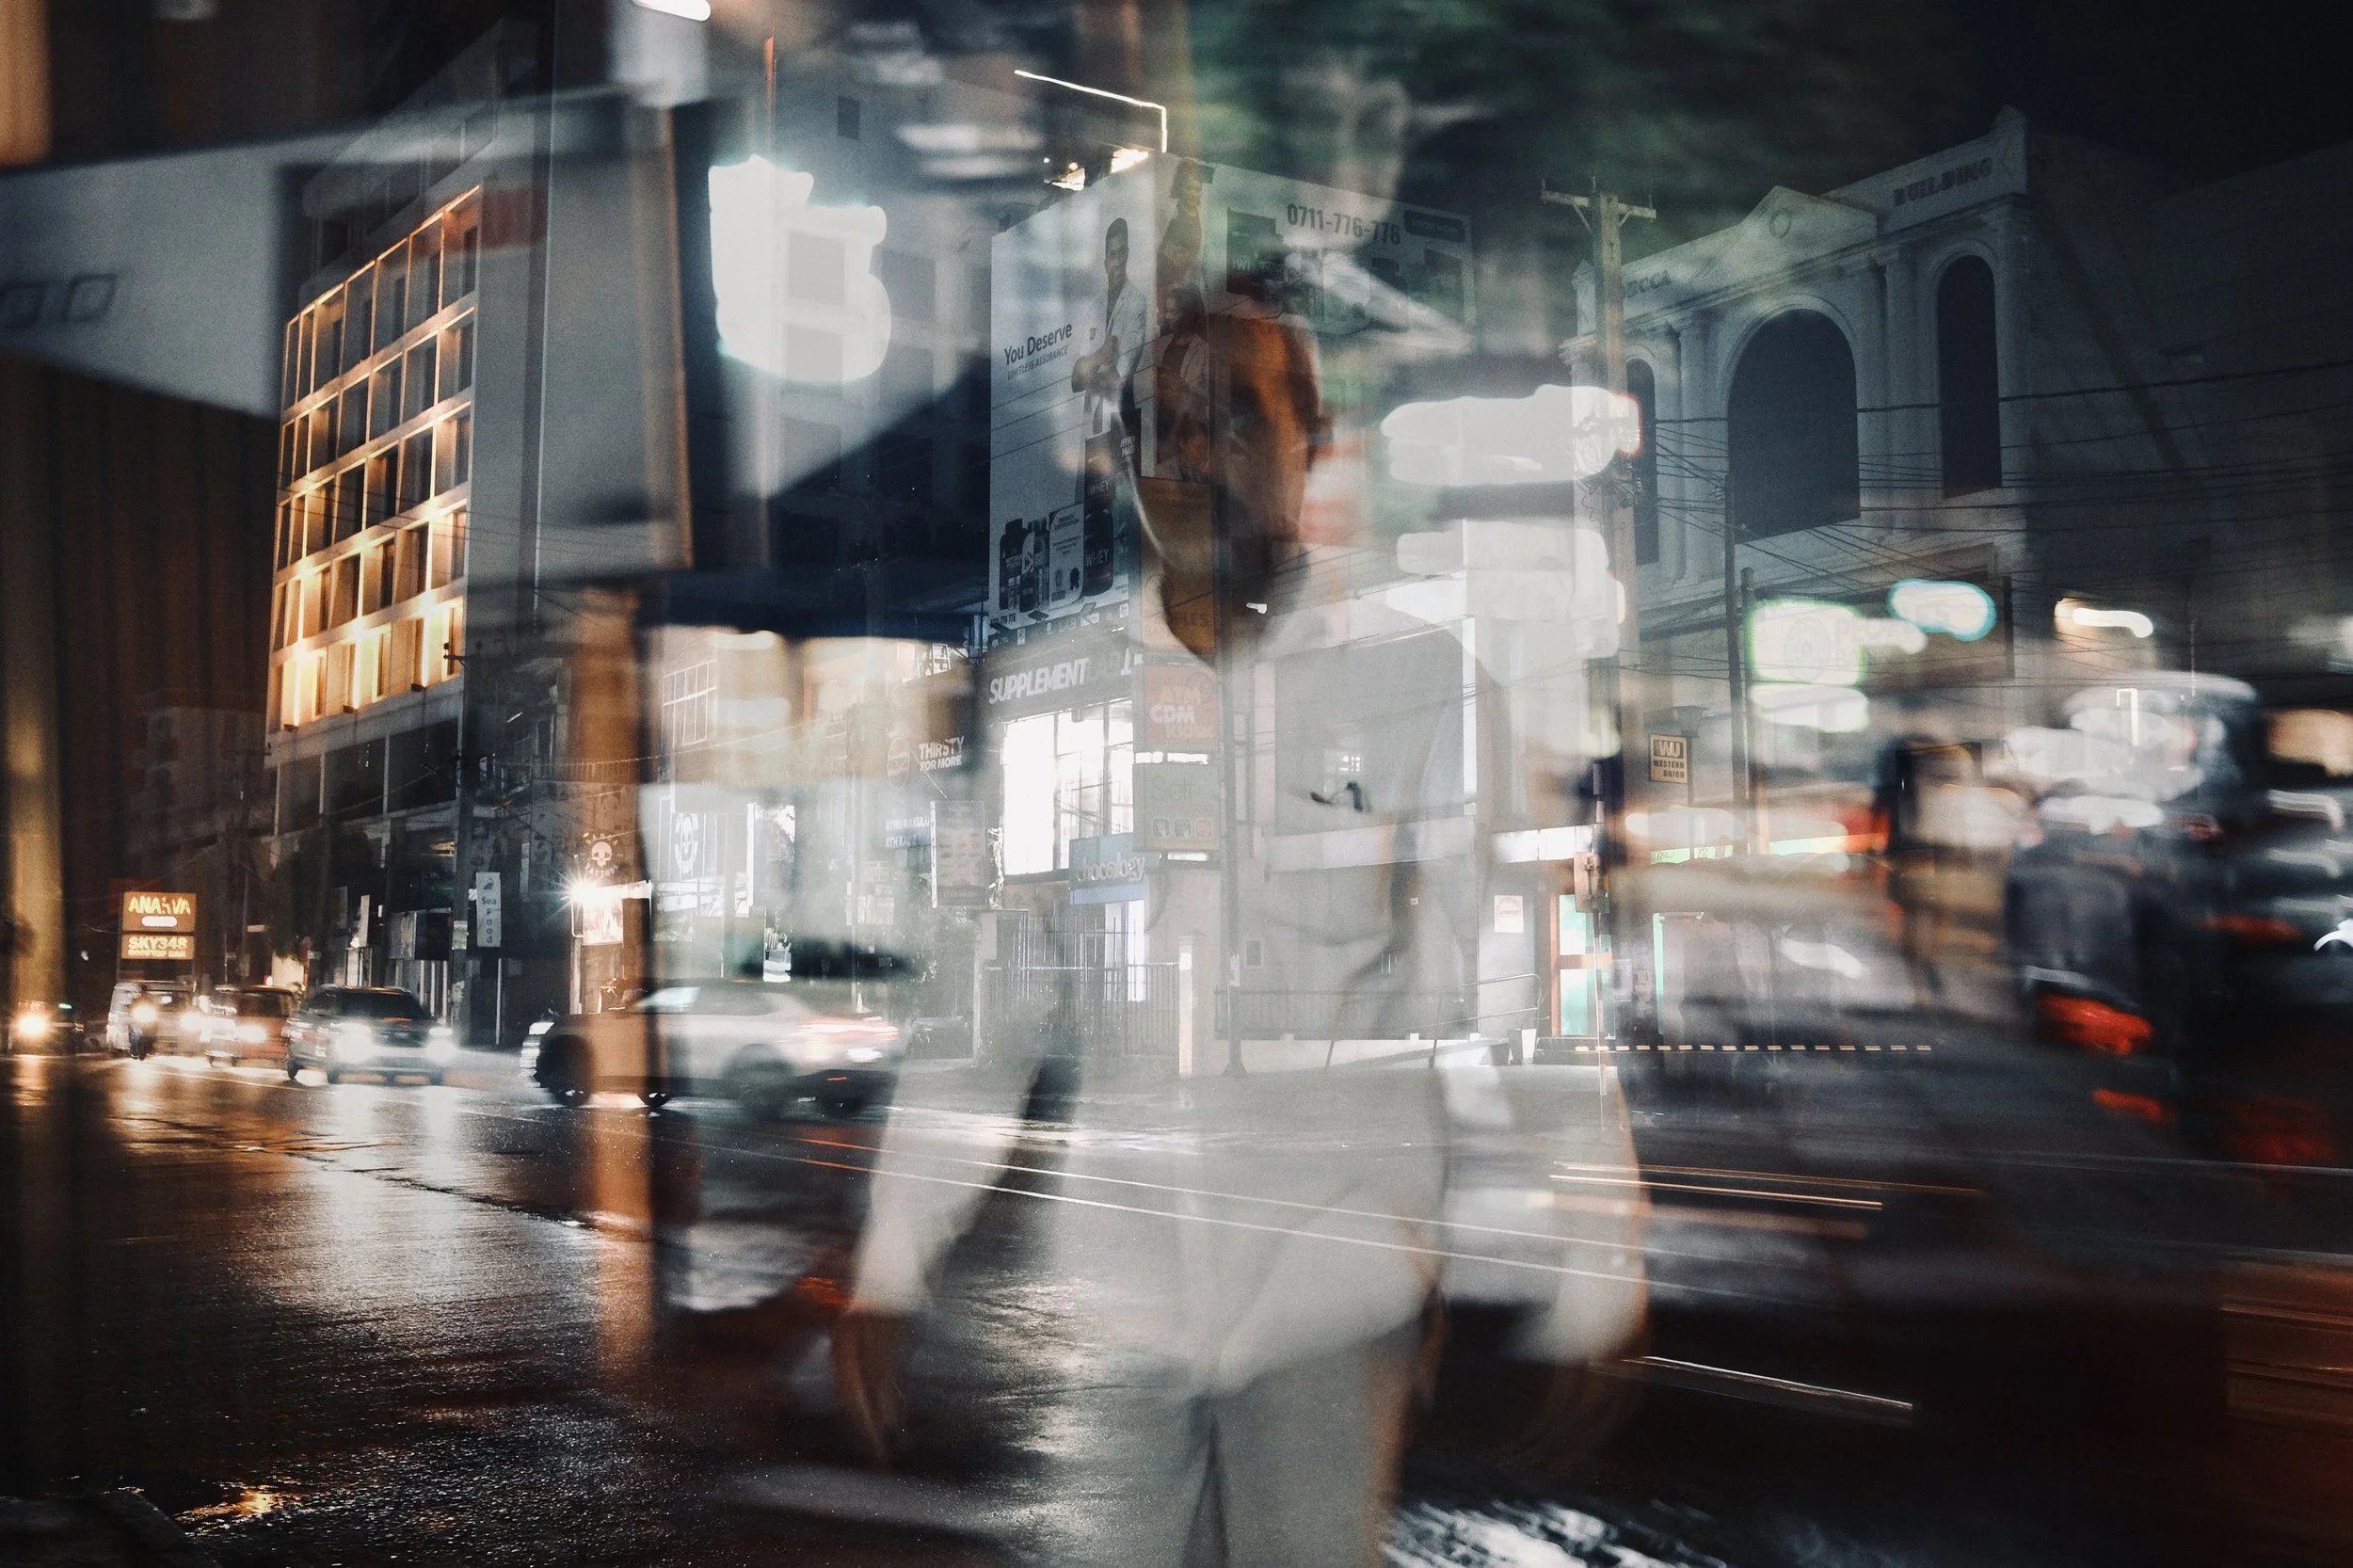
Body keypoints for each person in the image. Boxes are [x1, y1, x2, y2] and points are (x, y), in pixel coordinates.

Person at [835, 285, 1642, 1568]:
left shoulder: (1422, 683)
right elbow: (983, 1008)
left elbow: (1523, 985)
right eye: (1166, 426)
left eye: (1235, 420)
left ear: (1310, 438)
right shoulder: (1060, 701)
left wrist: (1596, 1256)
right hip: (1114, 1299)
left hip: (1334, 1293)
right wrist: (891, 1255)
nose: (1198, 456)